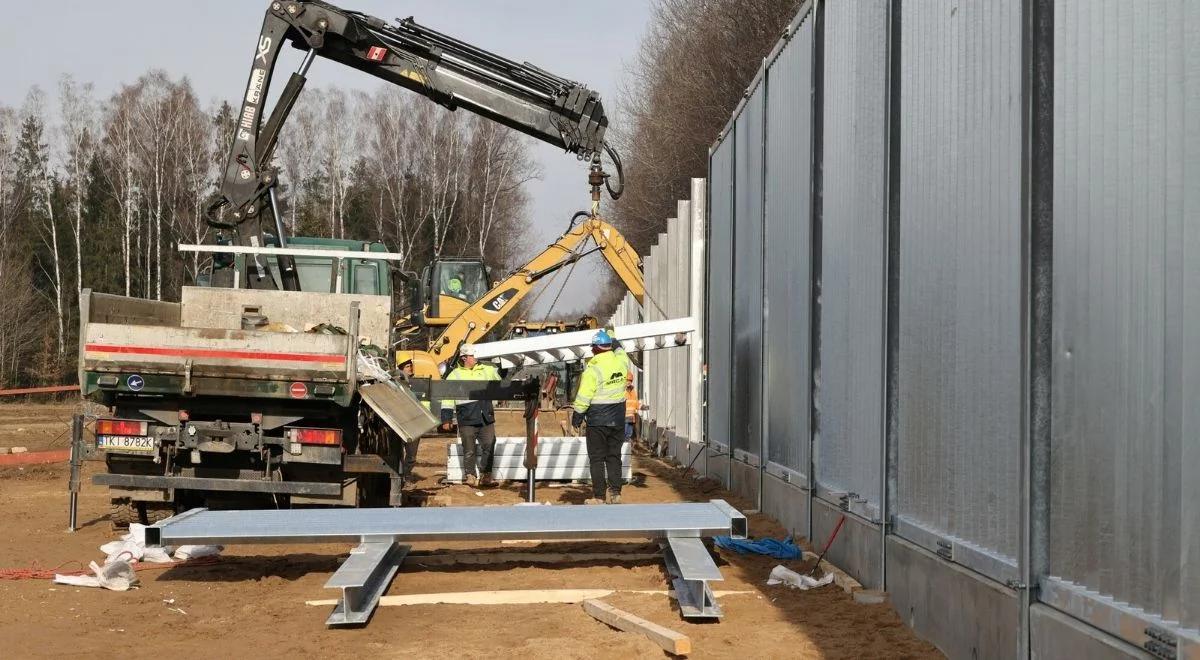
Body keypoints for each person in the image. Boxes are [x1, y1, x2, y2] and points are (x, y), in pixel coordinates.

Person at [572, 329, 632, 504]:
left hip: (597, 420)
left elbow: (584, 396)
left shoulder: (593, 369)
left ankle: (599, 497)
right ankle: (615, 493)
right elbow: (619, 348)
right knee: (614, 456)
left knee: (597, 459)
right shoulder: (621, 362)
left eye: (592, 348)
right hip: (618, 418)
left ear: (596, 349)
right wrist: (612, 335)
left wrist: (577, 415)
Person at [441, 344, 500, 487]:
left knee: (489, 444)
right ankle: (470, 476)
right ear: (464, 358)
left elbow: (499, 377)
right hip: (466, 417)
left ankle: (486, 475)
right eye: (472, 356)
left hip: (485, 415)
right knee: (469, 449)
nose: (475, 358)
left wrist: (502, 364)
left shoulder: (486, 370)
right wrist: (447, 418)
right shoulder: (455, 375)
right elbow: (447, 398)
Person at [396, 359, 422, 480]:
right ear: (401, 369)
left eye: (411, 366)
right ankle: (399, 476)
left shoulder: (418, 383)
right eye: (407, 366)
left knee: (411, 455)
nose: (410, 368)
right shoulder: (396, 384)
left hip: (415, 423)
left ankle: (406, 475)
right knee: (397, 453)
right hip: (401, 422)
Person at [624, 378, 639, 444]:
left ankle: (627, 446)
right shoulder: (622, 391)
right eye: (627, 380)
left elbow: (636, 402)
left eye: (630, 381)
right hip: (624, 415)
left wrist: (642, 407)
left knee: (629, 432)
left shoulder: (633, 391)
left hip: (631, 416)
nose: (628, 382)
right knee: (625, 433)